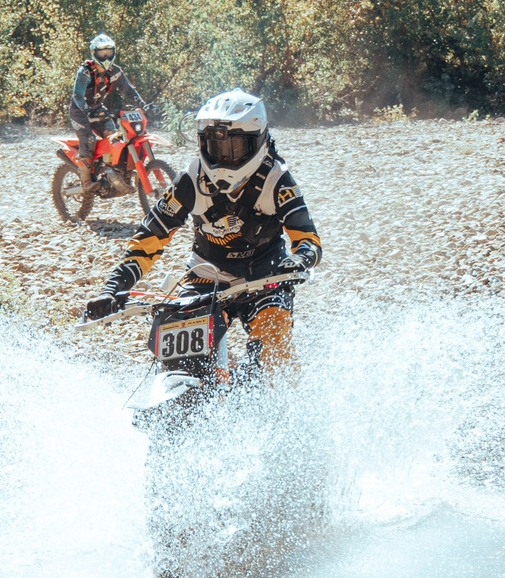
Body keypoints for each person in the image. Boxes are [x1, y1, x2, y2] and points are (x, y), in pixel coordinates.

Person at [81, 88, 321, 368]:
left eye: (233, 148)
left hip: (265, 280)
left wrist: (299, 259)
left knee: (275, 356)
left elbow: (308, 239)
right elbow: (149, 239)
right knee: (179, 359)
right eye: (214, 145)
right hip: (205, 278)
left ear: (258, 141)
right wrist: (112, 288)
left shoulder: (276, 179)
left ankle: (277, 392)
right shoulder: (190, 179)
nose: (222, 157)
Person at [68, 33, 146, 186]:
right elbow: (77, 95)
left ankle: (111, 172)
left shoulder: (114, 71)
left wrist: (142, 103)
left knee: (114, 138)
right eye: (101, 53)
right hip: (79, 112)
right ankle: (86, 181)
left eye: (108, 53)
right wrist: (86, 110)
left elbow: (128, 89)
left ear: (114, 53)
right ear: (94, 53)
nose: (105, 57)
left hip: (98, 109)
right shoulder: (85, 72)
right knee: (89, 140)